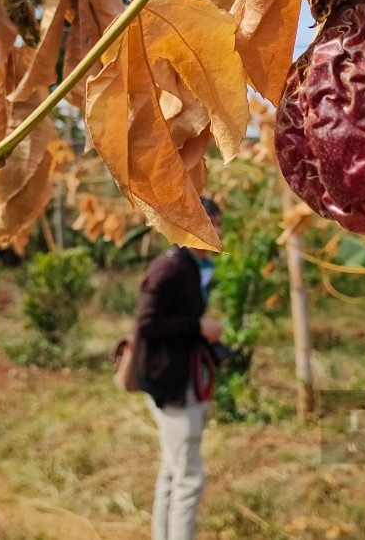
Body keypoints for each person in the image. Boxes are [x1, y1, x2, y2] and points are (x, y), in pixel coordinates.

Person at [133, 197, 225, 540]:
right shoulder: (171, 267)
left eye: (218, 223)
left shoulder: (192, 266)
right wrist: (197, 327)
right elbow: (146, 323)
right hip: (168, 382)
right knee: (189, 478)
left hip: (179, 377)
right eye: (211, 223)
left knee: (172, 472)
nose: (217, 231)